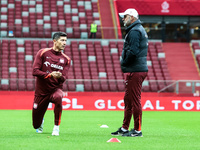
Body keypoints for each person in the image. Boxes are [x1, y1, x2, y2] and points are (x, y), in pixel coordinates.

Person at [111, 8, 148, 137]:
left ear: (132, 17)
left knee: (134, 100)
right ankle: (125, 128)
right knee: (128, 99)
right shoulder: (137, 30)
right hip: (136, 69)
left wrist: (124, 63)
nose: (123, 19)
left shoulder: (134, 31)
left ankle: (137, 130)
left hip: (135, 70)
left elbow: (133, 52)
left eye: (125, 16)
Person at [32, 32, 71, 136]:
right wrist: (50, 75)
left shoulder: (66, 59)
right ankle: (40, 122)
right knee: (36, 125)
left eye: (65, 41)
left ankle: (56, 128)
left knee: (58, 97)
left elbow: (64, 78)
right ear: (54, 41)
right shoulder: (43, 53)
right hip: (41, 92)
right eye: (62, 40)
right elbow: (34, 71)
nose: (64, 43)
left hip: (55, 89)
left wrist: (59, 77)